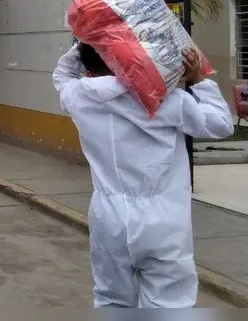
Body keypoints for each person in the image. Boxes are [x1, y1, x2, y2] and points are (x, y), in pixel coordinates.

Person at [52, 42, 233, 309]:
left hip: (108, 217)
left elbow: (62, 74)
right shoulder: (166, 100)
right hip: (162, 220)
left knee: (111, 298)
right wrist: (198, 81)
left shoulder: (80, 96)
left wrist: (89, 37)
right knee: (169, 302)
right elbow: (221, 123)